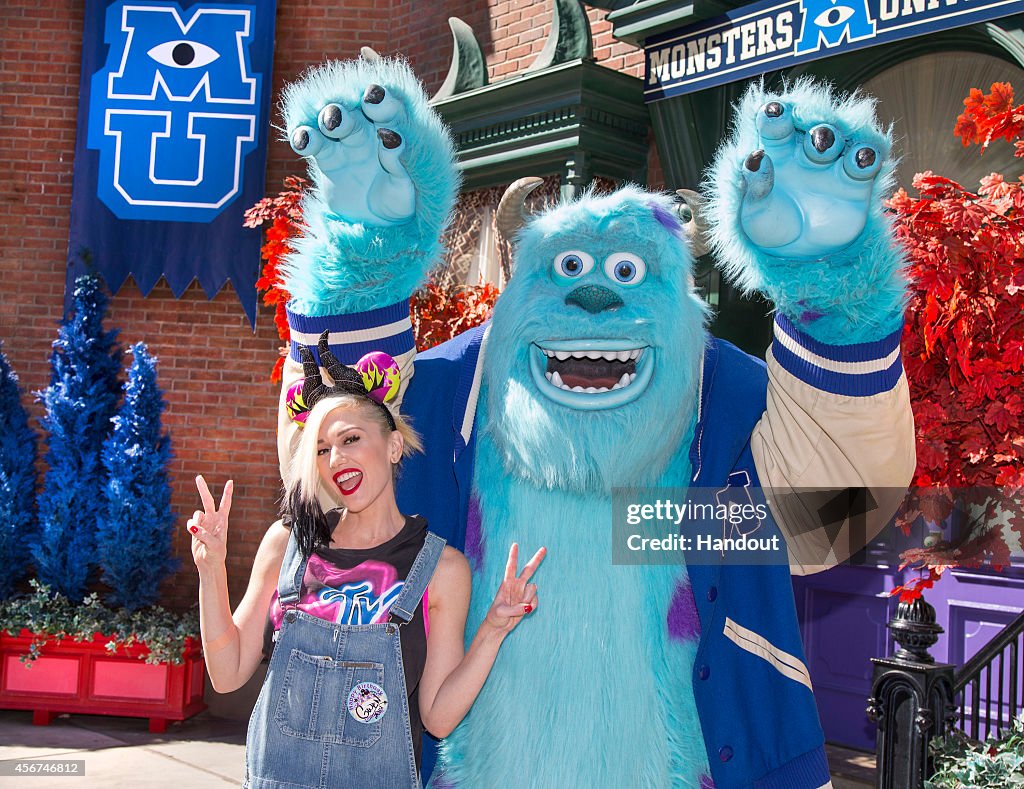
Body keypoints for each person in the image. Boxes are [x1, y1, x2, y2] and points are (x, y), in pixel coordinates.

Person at [186, 338, 545, 788]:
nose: (336, 459)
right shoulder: (288, 545)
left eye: (351, 439)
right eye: (321, 449)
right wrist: (211, 570)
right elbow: (225, 673)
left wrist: (492, 631)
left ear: (394, 446)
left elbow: (438, 717)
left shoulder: (441, 569)